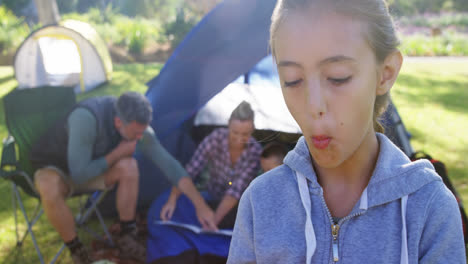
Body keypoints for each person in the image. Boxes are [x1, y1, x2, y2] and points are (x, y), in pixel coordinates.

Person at [227, 0, 466, 263]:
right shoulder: (260, 203)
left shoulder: (429, 208)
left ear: (385, 74)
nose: (313, 105)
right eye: (292, 80)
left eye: (337, 77)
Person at [30, 92, 216, 264]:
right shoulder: (85, 118)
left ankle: (128, 234)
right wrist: (117, 154)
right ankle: (77, 249)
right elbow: (78, 174)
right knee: (48, 186)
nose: (140, 137)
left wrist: (200, 205)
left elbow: (171, 166)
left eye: (143, 131)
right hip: (56, 167)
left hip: (90, 169)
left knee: (129, 166)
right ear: (119, 122)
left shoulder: (137, 128)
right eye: (136, 133)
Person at [160, 101, 262, 229]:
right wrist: (173, 199)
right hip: (211, 195)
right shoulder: (215, 138)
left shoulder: (255, 151)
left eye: (245, 134)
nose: (239, 139)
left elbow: (236, 190)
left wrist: (213, 221)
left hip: (236, 206)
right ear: (228, 125)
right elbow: (191, 170)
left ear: (252, 130)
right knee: (173, 203)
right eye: (235, 132)